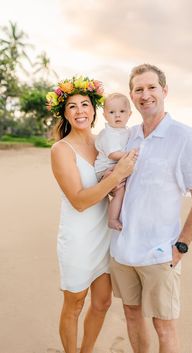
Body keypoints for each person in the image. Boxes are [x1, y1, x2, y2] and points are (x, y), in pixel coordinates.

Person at [110, 64, 192, 353]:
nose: (145, 94)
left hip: (159, 252)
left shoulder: (184, 137)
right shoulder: (128, 136)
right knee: (131, 314)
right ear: (132, 95)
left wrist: (180, 247)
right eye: (138, 89)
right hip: (123, 250)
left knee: (163, 325)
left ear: (164, 91)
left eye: (151, 87)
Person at [46, 75, 137, 353]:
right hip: (78, 238)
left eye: (85, 104)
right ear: (64, 113)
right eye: (72, 106)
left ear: (94, 110)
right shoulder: (61, 150)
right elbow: (79, 201)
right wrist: (116, 175)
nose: (80, 111)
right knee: (74, 304)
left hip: (104, 233)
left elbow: (111, 185)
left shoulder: (103, 143)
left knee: (103, 302)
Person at [94, 93, 132, 230]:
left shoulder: (126, 131)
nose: (117, 115)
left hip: (114, 166)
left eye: (122, 111)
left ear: (129, 114)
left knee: (127, 188)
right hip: (104, 169)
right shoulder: (109, 133)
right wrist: (131, 155)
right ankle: (112, 219)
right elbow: (112, 154)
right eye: (112, 112)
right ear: (104, 115)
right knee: (120, 191)